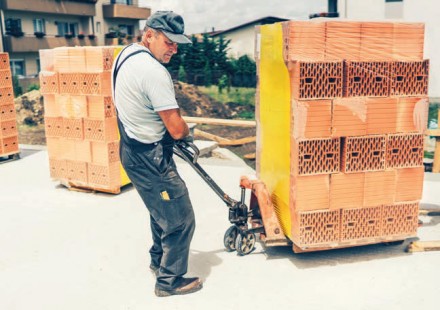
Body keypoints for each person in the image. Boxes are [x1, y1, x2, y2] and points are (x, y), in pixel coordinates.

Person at [111, 11, 202, 297]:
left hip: (131, 148)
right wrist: (189, 132)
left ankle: (157, 259)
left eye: (177, 44)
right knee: (181, 218)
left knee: (161, 209)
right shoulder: (154, 73)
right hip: (150, 158)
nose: (174, 49)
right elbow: (176, 129)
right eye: (168, 42)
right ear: (149, 35)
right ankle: (169, 281)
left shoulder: (125, 55)